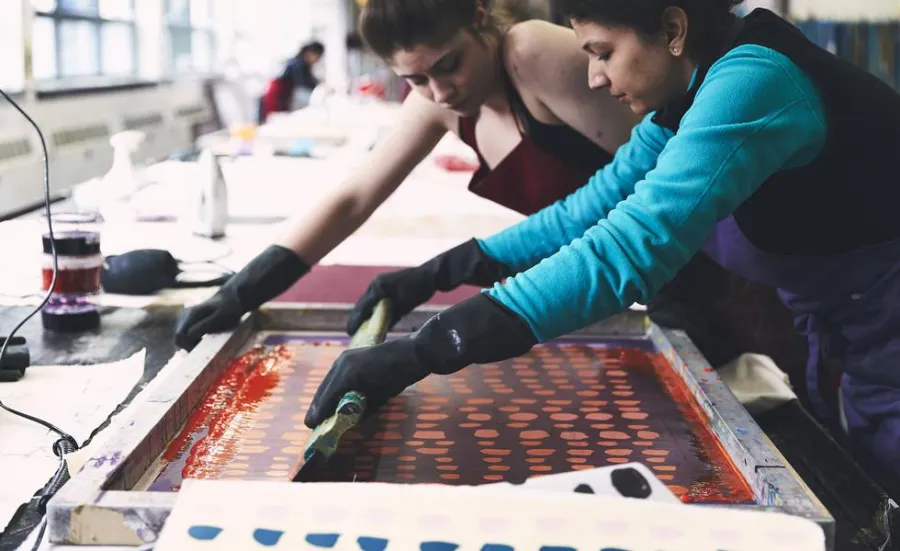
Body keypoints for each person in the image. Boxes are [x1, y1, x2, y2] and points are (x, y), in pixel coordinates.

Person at [304, 0, 900, 479]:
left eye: (603, 52)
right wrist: (445, 269)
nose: (593, 76)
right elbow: (588, 211)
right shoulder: (682, 99)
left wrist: (427, 349)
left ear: (672, 27)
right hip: (850, 330)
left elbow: (626, 250)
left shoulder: (753, 81)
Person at [174, 1, 641, 347]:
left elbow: (651, 179)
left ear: (480, 17)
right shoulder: (438, 101)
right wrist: (242, 290)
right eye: (415, 79)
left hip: (674, 249)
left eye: (449, 65)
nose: (439, 92)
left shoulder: (531, 50)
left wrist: (446, 269)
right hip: (611, 273)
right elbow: (354, 197)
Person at [259, 41, 326, 122]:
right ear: (310, 53)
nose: (317, 60)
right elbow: (304, 82)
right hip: (276, 94)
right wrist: (322, 86)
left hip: (282, 95)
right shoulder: (297, 64)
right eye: (318, 56)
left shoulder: (298, 62)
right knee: (274, 120)